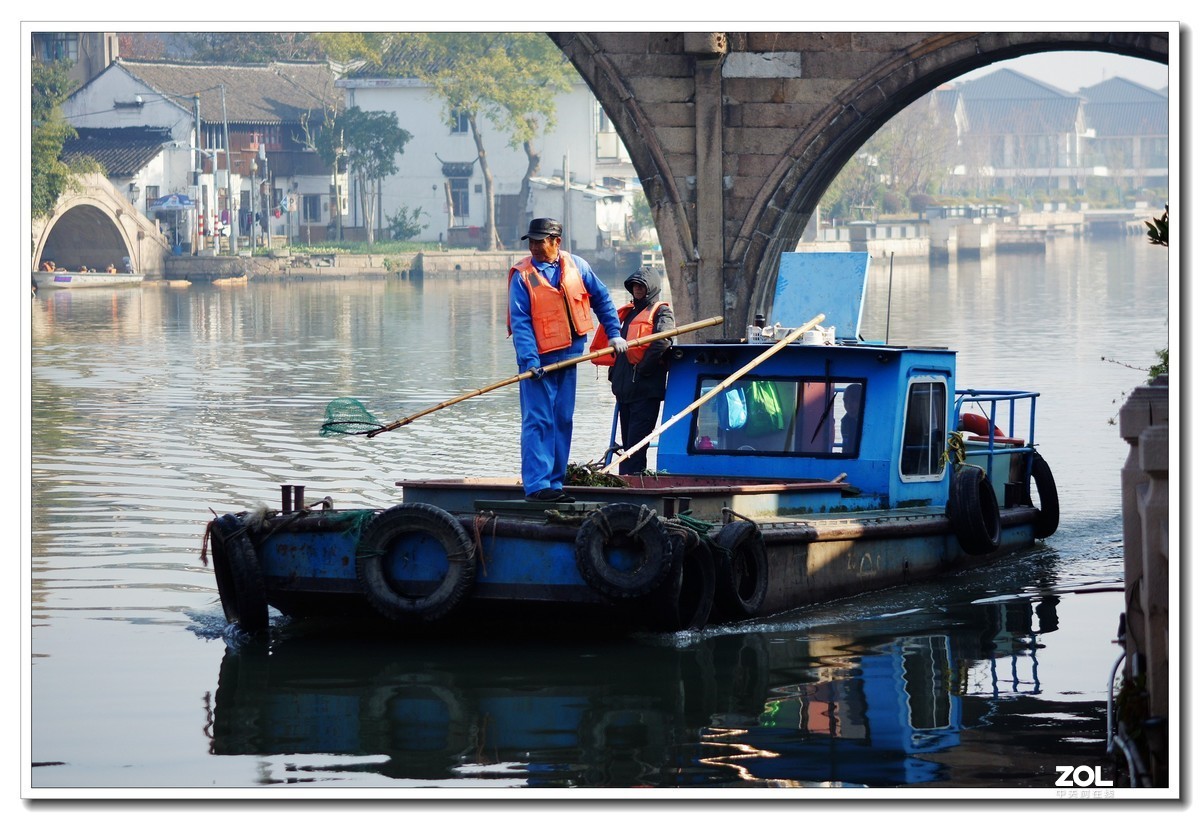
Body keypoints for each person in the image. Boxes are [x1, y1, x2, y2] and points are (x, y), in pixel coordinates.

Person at [508, 217, 627, 502]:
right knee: (538, 420)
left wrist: (613, 333)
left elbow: (602, 298)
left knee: (562, 419)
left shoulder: (577, 266)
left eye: (540, 241)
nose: (535, 247)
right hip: (537, 363)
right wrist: (530, 360)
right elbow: (521, 322)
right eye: (532, 242)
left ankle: (555, 484)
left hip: (569, 358)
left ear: (556, 242)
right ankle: (537, 486)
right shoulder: (522, 276)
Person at [590, 267, 675, 474]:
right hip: (625, 392)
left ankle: (630, 483)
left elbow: (663, 340)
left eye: (641, 286)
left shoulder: (661, 313)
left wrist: (644, 368)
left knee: (636, 446)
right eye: (634, 285)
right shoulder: (629, 313)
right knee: (628, 443)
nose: (637, 289)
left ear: (651, 288)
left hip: (645, 392)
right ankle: (628, 480)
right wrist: (615, 376)